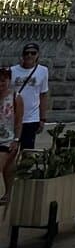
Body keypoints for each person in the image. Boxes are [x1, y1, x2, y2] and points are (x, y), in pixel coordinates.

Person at [11, 42, 49, 150]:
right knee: (11, 148)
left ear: (37, 55)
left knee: (27, 149)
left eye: (33, 53)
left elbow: (43, 95)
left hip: (31, 117)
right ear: (22, 55)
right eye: (27, 53)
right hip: (14, 116)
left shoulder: (43, 71)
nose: (30, 56)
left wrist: (42, 118)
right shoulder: (12, 71)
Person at [0, 67, 23, 203]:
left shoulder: (16, 98)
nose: (1, 84)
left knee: (3, 164)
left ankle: (8, 193)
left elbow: (19, 121)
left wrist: (16, 139)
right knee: (8, 168)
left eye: (3, 81)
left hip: (7, 139)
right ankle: (8, 194)